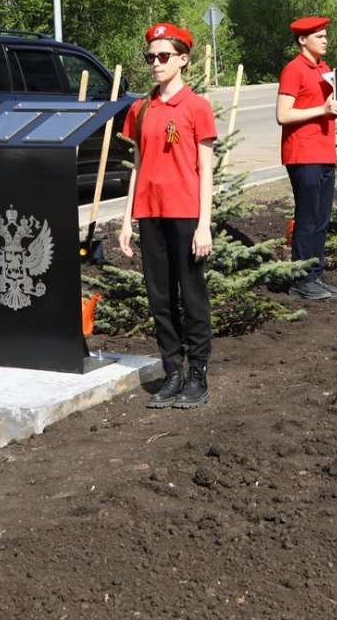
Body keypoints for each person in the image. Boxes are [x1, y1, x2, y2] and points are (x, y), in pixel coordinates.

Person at [118, 23, 219, 409]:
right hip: (150, 214)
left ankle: (198, 374)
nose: (155, 63)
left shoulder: (197, 107)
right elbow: (138, 165)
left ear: (183, 60)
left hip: (186, 215)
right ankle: (172, 371)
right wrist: (127, 219)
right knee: (159, 299)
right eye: (151, 57)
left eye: (163, 56)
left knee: (192, 297)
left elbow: (205, 169)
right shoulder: (140, 108)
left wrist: (204, 224)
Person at [277, 16, 337, 301]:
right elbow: (283, 114)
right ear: (302, 40)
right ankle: (301, 278)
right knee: (307, 218)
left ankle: (315, 273)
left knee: (322, 219)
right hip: (302, 154)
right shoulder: (293, 70)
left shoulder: (325, 69)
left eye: (325, 35)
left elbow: (328, 107)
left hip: (324, 152)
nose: (325, 40)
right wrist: (322, 110)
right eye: (319, 36)